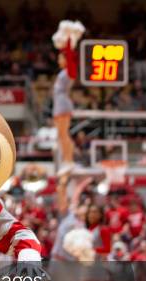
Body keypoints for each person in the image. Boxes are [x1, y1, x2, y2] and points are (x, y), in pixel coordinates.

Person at [51, 20, 85, 176]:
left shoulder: (70, 71)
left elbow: (71, 55)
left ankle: (69, 161)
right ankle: (67, 160)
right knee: (61, 135)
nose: (58, 60)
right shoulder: (63, 72)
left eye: (60, 57)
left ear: (65, 59)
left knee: (64, 135)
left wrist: (70, 37)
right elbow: (68, 53)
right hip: (59, 104)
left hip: (63, 104)